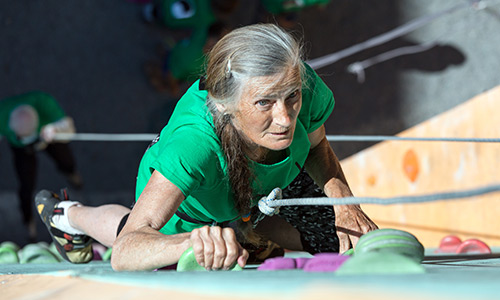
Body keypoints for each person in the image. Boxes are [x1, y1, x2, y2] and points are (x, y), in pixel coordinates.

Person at [35, 24, 377, 271]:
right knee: (137, 235)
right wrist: (194, 242)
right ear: (227, 105)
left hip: (264, 185)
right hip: (193, 208)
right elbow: (127, 250)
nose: (285, 119)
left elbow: (318, 150)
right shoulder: (193, 145)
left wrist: (343, 203)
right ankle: (68, 216)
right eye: (264, 103)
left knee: (336, 239)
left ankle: (243, 232)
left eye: (292, 98)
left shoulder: (294, 77)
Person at [0, 91, 82, 241]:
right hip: (22, 148)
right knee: (26, 185)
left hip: (47, 136)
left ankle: (71, 173)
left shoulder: (44, 102)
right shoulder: (1, 114)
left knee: (65, 160)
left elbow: (70, 129)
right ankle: (28, 223)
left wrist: (57, 129)